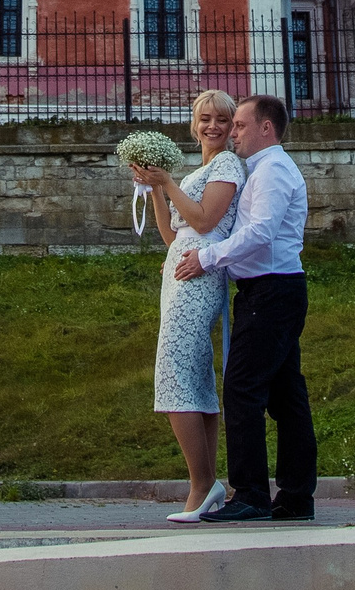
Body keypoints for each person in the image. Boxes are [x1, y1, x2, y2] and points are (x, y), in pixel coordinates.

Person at [175, 92, 315, 523]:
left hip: (271, 292)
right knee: (287, 397)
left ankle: (251, 493)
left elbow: (262, 232)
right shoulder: (260, 169)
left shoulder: (272, 170)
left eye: (239, 125)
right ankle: (295, 496)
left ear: (265, 128)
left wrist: (207, 258)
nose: (232, 132)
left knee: (241, 390)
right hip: (272, 291)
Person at [130, 88, 245, 523]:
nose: (212, 126)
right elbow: (171, 233)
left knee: (174, 370)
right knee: (195, 373)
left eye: (221, 119)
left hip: (199, 274)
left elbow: (203, 222)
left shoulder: (229, 164)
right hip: (180, 270)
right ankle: (206, 484)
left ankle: (202, 483)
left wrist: (168, 184)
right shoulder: (200, 168)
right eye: (205, 118)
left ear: (232, 126)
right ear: (193, 124)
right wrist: (155, 188)